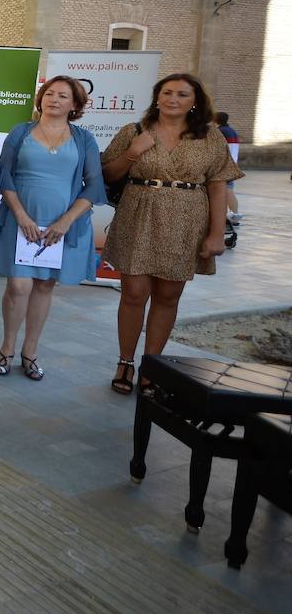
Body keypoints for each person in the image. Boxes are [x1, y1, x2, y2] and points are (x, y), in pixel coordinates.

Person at [101, 73, 241, 395]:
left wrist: (217, 234)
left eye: (181, 94)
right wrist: (133, 152)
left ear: (195, 102)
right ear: (157, 97)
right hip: (139, 216)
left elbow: (218, 187)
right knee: (134, 292)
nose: (172, 99)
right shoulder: (133, 131)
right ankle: (125, 361)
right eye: (167, 92)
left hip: (186, 221)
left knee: (168, 296)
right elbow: (109, 174)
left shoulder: (210, 138)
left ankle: (153, 365)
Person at [0, 76, 105, 381]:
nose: (54, 99)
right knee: (19, 286)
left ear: (75, 104)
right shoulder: (20, 132)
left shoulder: (84, 139)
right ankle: (6, 349)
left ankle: (30, 352)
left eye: (63, 95)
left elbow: (93, 186)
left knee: (43, 286)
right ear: (40, 99)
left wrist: (66, 221)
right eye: (49, 93)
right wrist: (21, 216)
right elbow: (4, 176)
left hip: (61, 224)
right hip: (20, 218)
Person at [215, 111, 242, 222]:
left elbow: (216, 149)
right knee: (229, 188)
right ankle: (234, 214)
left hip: (224, 164)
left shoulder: (220, 131)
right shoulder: (232, 131)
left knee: (227, 190)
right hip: (232, 163)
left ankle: (233, 216)